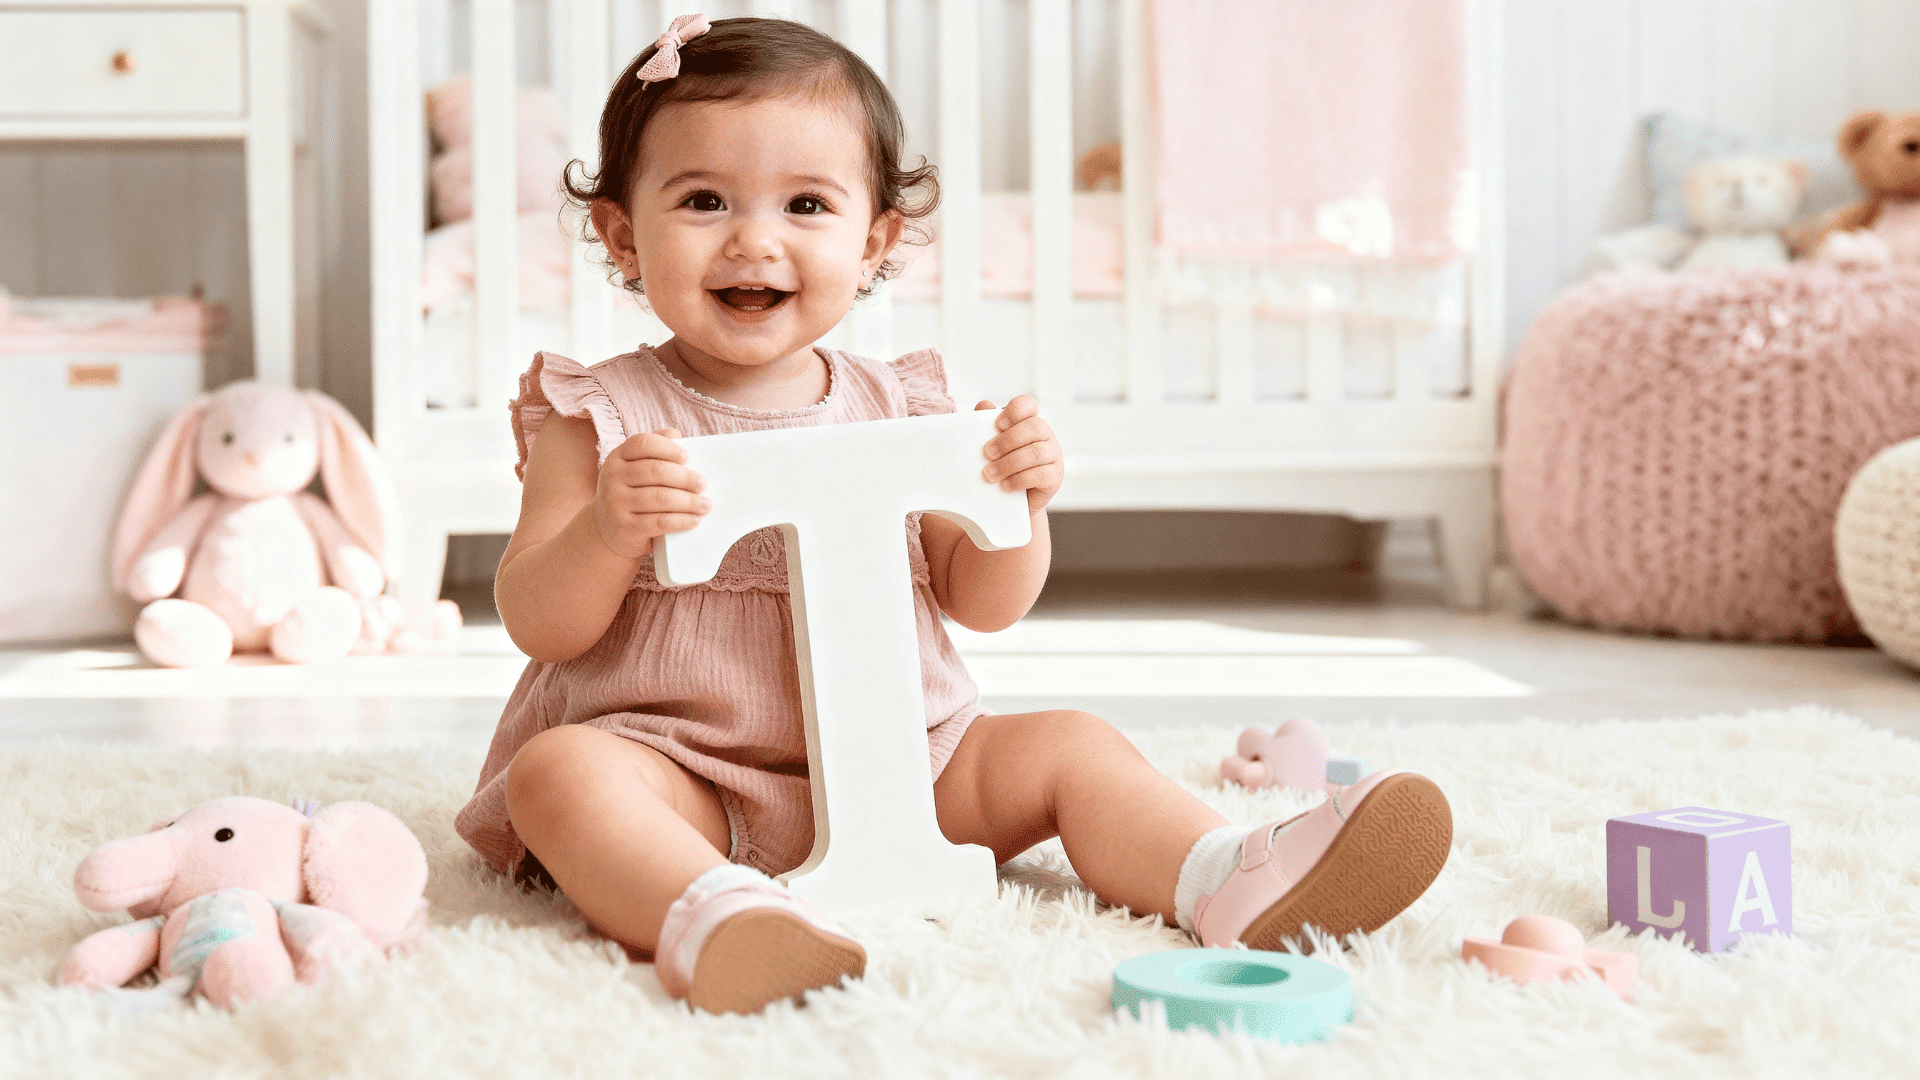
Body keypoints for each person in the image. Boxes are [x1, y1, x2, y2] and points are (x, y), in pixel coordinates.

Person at [454, 13, 1453, 1015]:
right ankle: (713, 914)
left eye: (806, 203)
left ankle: (1224, 874)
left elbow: (982, 600)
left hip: (911, 766)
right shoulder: (601, 420)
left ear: (875, 239)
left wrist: (1023, 503)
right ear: (625, 234)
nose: (756, 238)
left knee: (1070, 744)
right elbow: (542, 619)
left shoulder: (905, 404)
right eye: (705, 200)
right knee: (561, 776)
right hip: (682, 781)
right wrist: (607, 532)